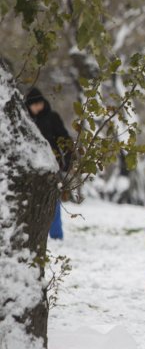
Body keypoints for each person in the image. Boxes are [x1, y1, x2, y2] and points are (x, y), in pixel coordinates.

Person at [25, 87, 72, 240]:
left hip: (52, 164)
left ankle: (56, 235)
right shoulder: (24, 120)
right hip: (29, 165)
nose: (38, 107)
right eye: (34, 104)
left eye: (40, 103)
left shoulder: (52, 117)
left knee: (53, 201)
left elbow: (64, 139)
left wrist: (68, 160)